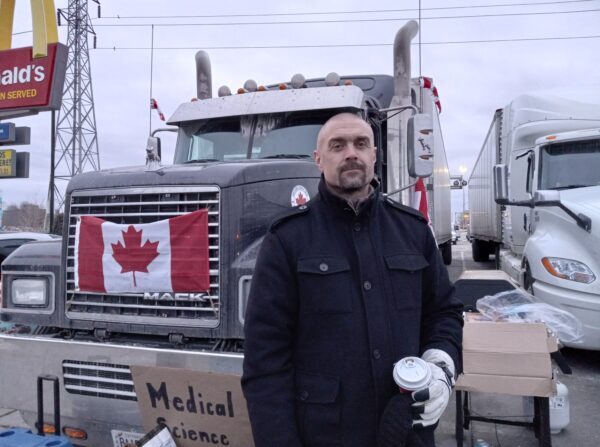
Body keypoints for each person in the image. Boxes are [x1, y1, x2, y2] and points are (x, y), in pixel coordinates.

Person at [242, 112, 463, 447]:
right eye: (337, 145)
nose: (351, 153)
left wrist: (442, 365)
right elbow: (266, 359)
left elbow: (443, 313)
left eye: (361, 144)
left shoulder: (412, 231)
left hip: (406, 430)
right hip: (324, 434)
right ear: (318, 159)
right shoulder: (287, 240)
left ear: (374, 155)